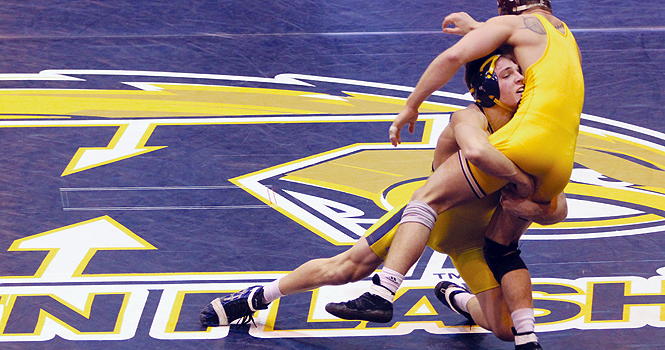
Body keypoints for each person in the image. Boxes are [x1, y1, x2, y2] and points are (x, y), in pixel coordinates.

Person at [200, 52, 567, 343]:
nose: (521, 79)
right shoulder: (468, 119)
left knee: (506, 330)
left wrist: (533, 207)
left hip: (473, 241)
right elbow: (475, 151)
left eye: (520, 72)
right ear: (486, 88)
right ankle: (258, 296)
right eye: (507, 75)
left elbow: (559, 209)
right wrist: (520, 181)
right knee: (346, 269)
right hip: (425, 220)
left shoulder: (530, 133)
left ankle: (458, 299)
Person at [325, 1, 583, 350]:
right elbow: (517, 42)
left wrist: (411, 105)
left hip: (522, 146)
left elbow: (453, 58)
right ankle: (526, 338)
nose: (517, 76)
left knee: (425, 199)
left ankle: (382, 292)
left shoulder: (508, 36)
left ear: (509, 10)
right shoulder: (564, 38)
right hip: (563, 160)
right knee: (503, 249)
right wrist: (478, 26)